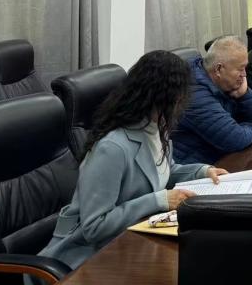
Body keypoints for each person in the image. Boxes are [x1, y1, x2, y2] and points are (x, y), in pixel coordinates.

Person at [38, 51, 227, 271]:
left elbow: (162, 170)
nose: (181, 102)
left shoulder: (156, 127)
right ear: (158, 96)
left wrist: (202, 171)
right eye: (178, 96)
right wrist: (159, 200)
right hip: (87, 257)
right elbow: (95, 227)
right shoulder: (112, 148)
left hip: (133, 238)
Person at [172, 36, 252, 165]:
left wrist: (245, 94)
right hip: (194, 168)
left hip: (218, 158)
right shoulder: (194, 93)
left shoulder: (223, 81)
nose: (244, 75)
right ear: (218, 69)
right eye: (240, 69)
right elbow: (235, 139)